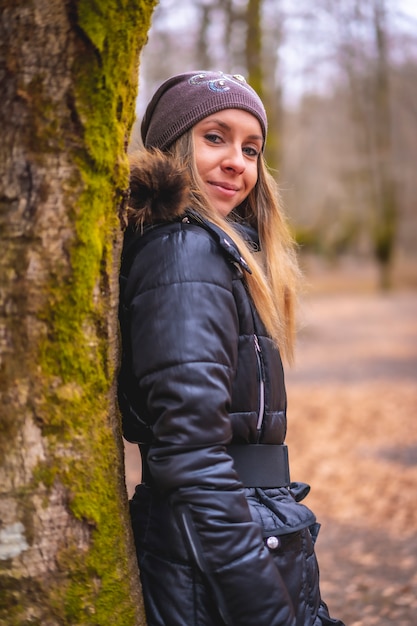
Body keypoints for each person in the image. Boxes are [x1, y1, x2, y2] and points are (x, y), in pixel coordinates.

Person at [118, 70, 345, 626]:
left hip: (245, 532)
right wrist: (262, 604)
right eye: (214, 137)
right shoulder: (184, 253)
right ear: (173, 147)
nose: (237, 162)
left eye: (251, 148)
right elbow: (191, 455)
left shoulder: (220, 251)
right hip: (213, 556)